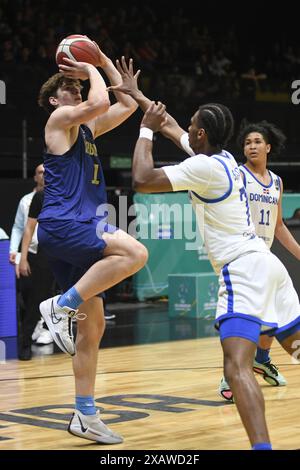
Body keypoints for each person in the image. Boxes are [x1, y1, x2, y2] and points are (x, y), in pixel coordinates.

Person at [108, 60, 300, 449]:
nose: (187, 127)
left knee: (237, 369)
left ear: (201, 134)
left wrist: (144, 129)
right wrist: (140, 99)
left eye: (193, 123)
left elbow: (143, 181)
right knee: (296, 348)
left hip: (244, 270)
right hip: (271, 267)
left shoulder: (203, 167)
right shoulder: (224, 160)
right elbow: (173, 127)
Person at [37, 49, 148, 444]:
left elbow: (125, 104)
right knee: (135, 253)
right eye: (70, 89)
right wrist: (89, 66)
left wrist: (104, 62)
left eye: (77, 86)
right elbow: (99, 100)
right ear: (55, 100)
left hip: (75, 228)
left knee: (93, 328)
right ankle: (59, 304)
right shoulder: (59, 120)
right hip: (68, 223)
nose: (77, 90)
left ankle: (85, 414)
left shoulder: (87, 129)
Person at [219, 121, 300, 400]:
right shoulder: (237, 175)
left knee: (272, 315)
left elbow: (278, 226)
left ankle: (261, 359)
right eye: (247, 142)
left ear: (268, 147)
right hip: (241, 255)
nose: (251, 146)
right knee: (245, 317)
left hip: (263, 256)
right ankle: (230, 374)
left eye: (256, 142)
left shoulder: (276, 181)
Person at [9, 163, 49, 360]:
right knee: (30, 298)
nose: (44, 176)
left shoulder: (61, 196)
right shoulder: (29, 200)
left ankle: (44, 329)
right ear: (35, 177)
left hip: (57, 253)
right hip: (34, 252)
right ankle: (26, 338)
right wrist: (18, 255)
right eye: (40, 172)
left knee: (49, 297)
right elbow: (21, 228)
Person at [19, 189, 54, 351]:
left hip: (70, 248)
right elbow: (28, 227)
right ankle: (25, 342)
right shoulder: (41, 196)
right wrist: (23, 258)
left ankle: (50, 330)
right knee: (36, 297)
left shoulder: (73, 192)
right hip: (45, 251)